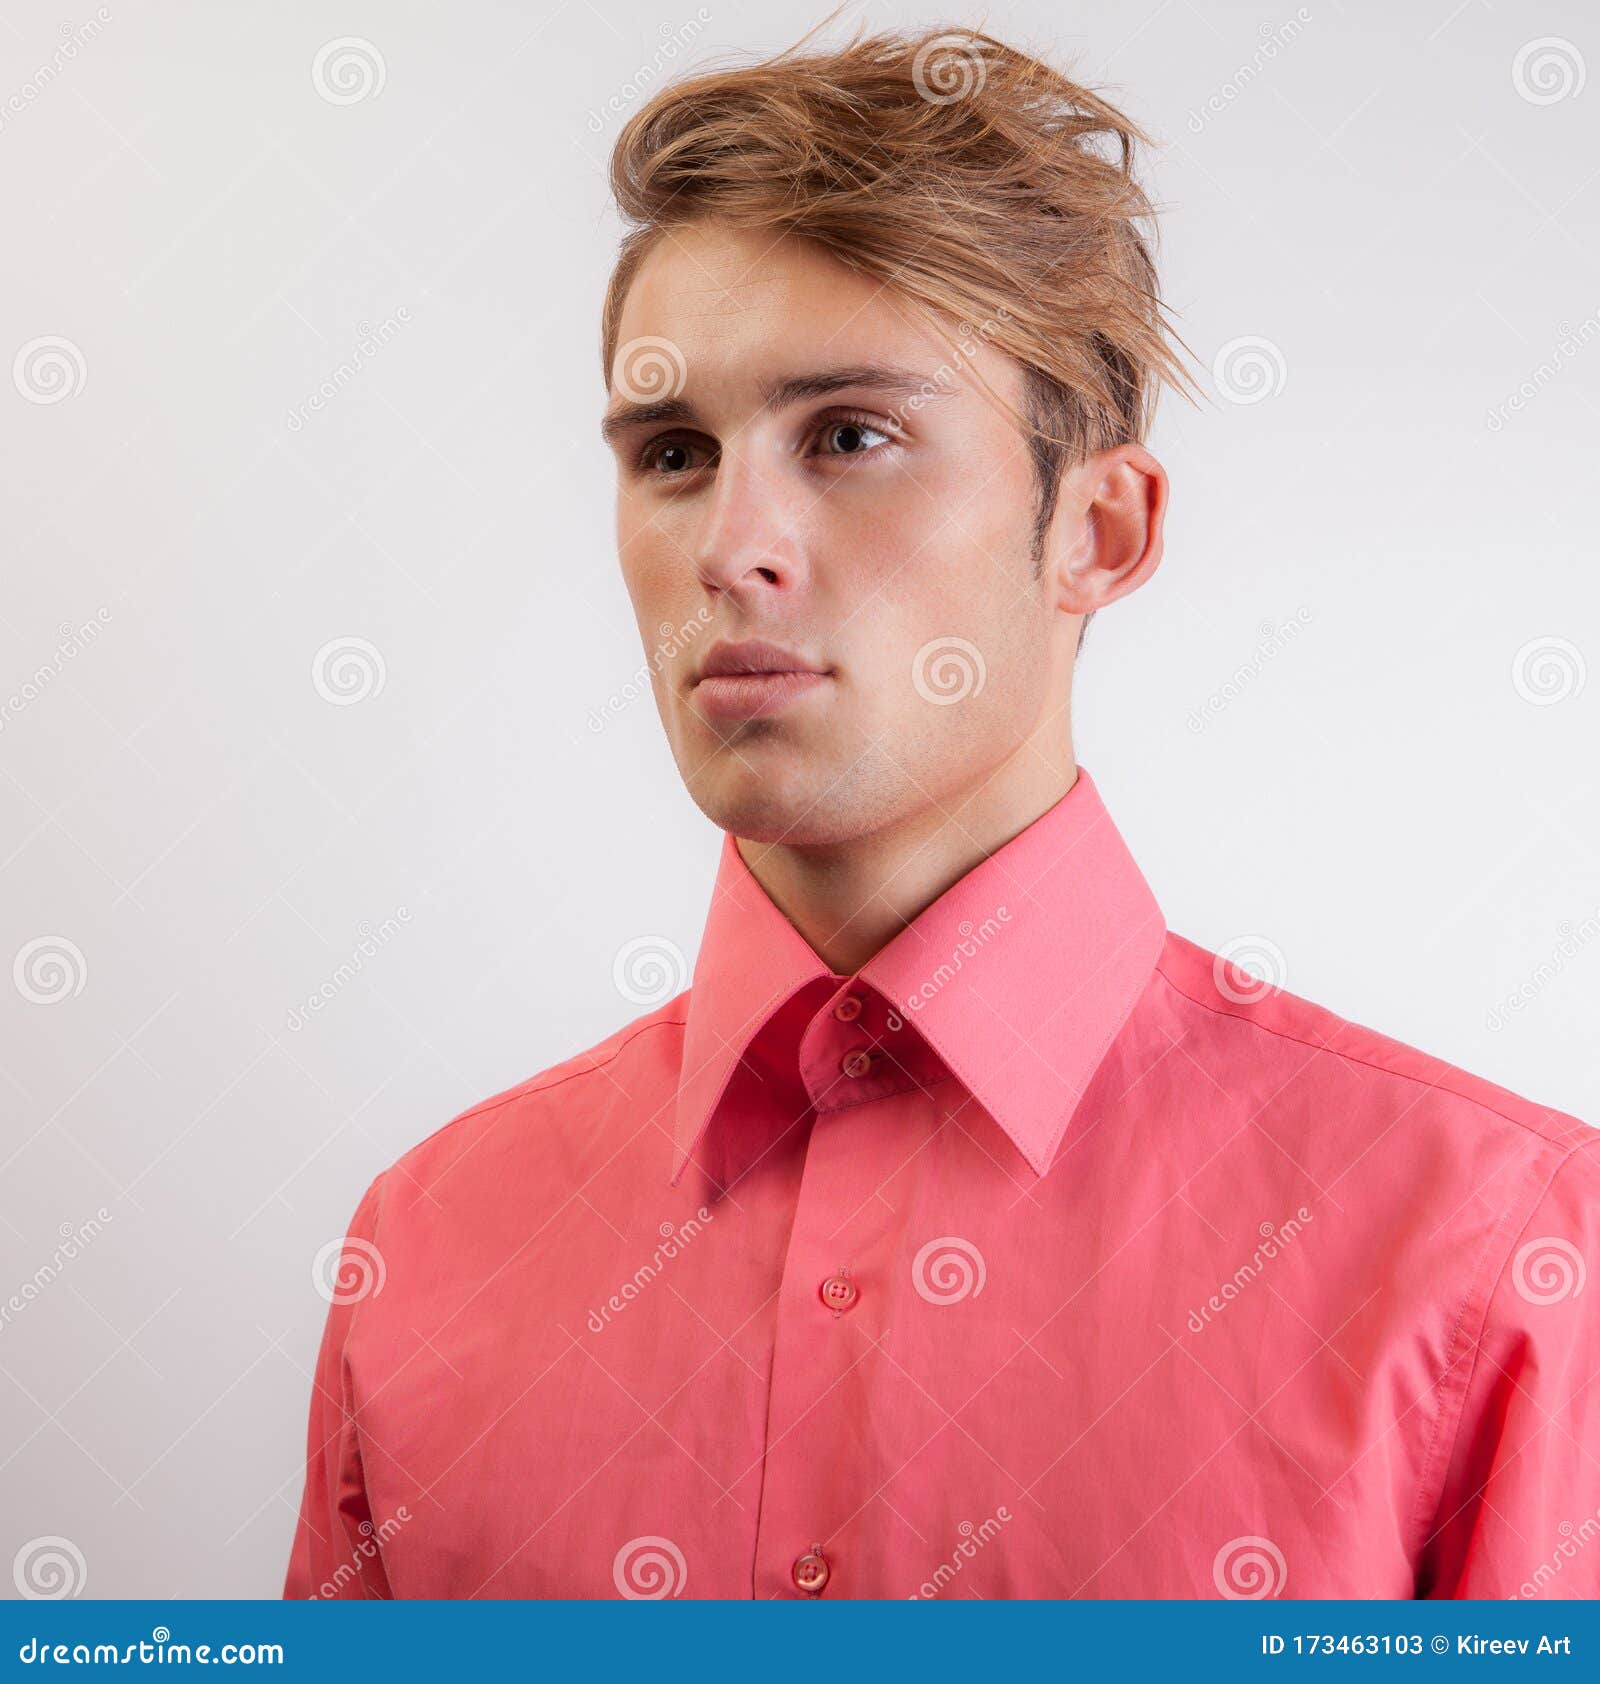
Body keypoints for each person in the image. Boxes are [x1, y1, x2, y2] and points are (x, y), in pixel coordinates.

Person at [284, 24, 1599, 1601]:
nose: (731, 544)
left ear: (1097, 530)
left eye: (850, 435)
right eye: (675, 452)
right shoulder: (429, 1243)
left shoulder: (1498, 1247)